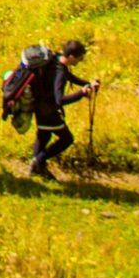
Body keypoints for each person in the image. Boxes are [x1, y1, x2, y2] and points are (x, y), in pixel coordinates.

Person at [28, 39, 99, 179]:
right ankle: (38, 161)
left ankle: (37, 169)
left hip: (39, 106)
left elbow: (69, 76)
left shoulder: (56, 58)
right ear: (72, 57)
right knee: (67, 139)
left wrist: (87, 83)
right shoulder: (59, 72)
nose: (81, 61)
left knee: (44, 135)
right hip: (49, 111)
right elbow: (59, 100)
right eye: (80, 58)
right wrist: (82, 93)